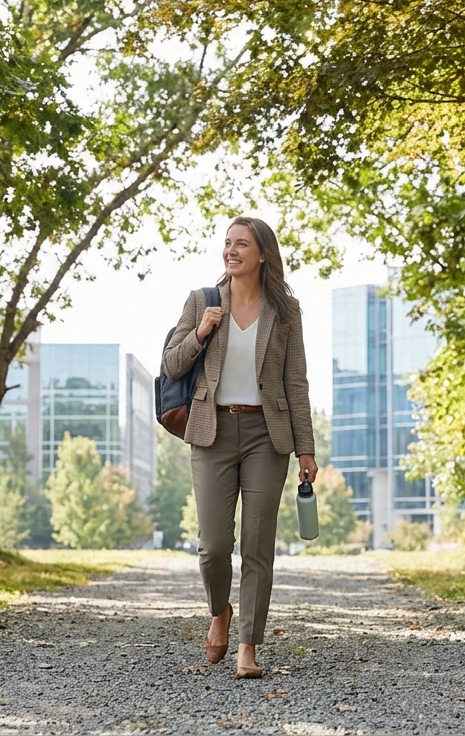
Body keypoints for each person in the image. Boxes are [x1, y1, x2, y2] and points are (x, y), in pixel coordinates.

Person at [163, 216, 317, 679]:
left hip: (267, 436)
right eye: (227, 244)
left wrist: (305, 448)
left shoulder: (285, 311)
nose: (231, 251)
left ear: (262, 254)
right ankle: (219, 611)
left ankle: (247, 646)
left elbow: (296, 382)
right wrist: (201, 332)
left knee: (256, 544)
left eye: (241, 244)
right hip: (211, 431)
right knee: (212, 546)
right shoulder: (202, 302)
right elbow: (172, 365)